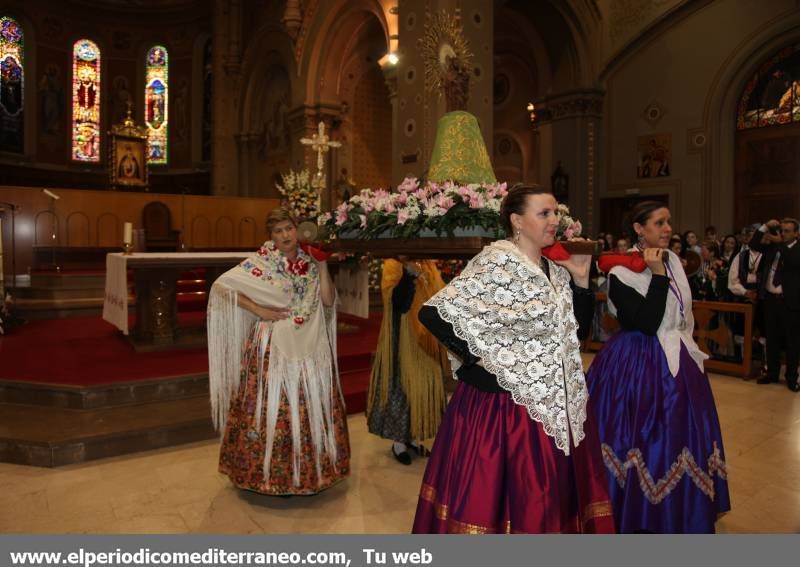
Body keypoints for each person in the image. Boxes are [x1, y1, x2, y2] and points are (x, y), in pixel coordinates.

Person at [412, 185, 614, 534]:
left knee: (551, 498)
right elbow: (434, 314)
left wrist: (581, 280)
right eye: (544, 213)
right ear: (517, 221)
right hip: (505, 411)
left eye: (556, 213)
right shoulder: (496, 262)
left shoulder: (557, 270)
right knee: (508, 497)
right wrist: (484, 363)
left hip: (556, 403)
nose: (555, 220)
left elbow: (575, 335)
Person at [585, 201, 730, 533]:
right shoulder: (619, 272)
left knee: (679, 435)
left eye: (669, 222)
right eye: (659, 222)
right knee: (637, 436)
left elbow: (683, 314)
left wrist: (688, 349)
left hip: (678, 356)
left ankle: (680, 510)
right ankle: (631, 511)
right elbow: (647, 323)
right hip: (635, 364)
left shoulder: (675, 259)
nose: (668, 228)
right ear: (639, 228)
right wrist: (659, 276)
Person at [207, 208, 350, 495]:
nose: (285, 235)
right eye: (278, 231)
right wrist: (259, 308)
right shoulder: (263, 263)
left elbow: (327, 299)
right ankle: (263, 476)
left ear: (298, 229)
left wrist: (323, 265)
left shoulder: (311, 261)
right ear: (270, 236)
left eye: (289, 228)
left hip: (310, 346)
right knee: (269, 408)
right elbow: (222, 287)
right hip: (272, 348)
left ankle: (310, 475)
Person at [367, 257, 448, 465]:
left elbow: (439, 297)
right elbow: (397, 303)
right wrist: (408, 275)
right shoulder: (393, 265)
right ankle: (399, 443)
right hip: (403, 338)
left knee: (421, 390)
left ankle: (411, 437)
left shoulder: (429, 265)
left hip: (426, 338)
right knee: (402, 388)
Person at [749, 218, 800, 391]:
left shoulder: (796, 249)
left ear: (796, 233)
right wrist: (765, 226)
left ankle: (792, 378)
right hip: (771, 300)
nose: (783, 233)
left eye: (787, 231)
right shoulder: (773, 246)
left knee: (792, 342)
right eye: (782, 230)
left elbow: (793, 261)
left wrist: (779, 242)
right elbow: (754, 244)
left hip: (789, 302)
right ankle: (772, 373)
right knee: (772, 339)